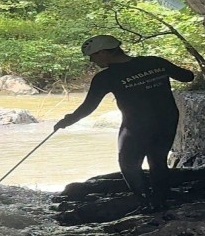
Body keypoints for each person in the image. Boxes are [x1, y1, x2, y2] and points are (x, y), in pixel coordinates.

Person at [54, 35, 195, 210]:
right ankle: (160, 201)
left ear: (104, 52)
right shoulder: (154, 62)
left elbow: (88, 107)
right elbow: (187, 77)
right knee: (157, 160)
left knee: (128, 163)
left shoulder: (106, 77)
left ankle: (146, 203)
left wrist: (66, 121)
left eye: (93, 56)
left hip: (137, 124)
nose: (92, 61)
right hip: (167, 119)